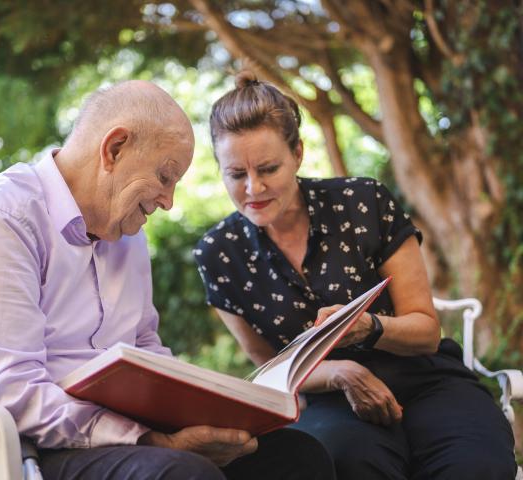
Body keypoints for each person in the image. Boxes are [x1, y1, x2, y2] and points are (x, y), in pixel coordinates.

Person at [0, 80, 336, 480]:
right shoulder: (1, 217)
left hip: (105, 442)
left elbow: (145, 351)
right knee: (182, 474)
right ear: (114, 148)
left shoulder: (125, 235)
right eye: (165, 176)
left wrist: (209, 416)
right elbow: (6, 395)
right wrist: (148, 439)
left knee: (298, 458)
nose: (169, 202)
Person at [193, 71, 517, 480]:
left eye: (269, 168)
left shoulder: (363, 202)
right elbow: (269, 365)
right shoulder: (218, 253)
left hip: (428, 381)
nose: (253, 188)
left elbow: (426, 332)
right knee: (346, 464)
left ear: (298, 153)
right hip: (333, 402)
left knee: (476, 467)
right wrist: (340, 373)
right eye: (236, 174)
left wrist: (367, 327)